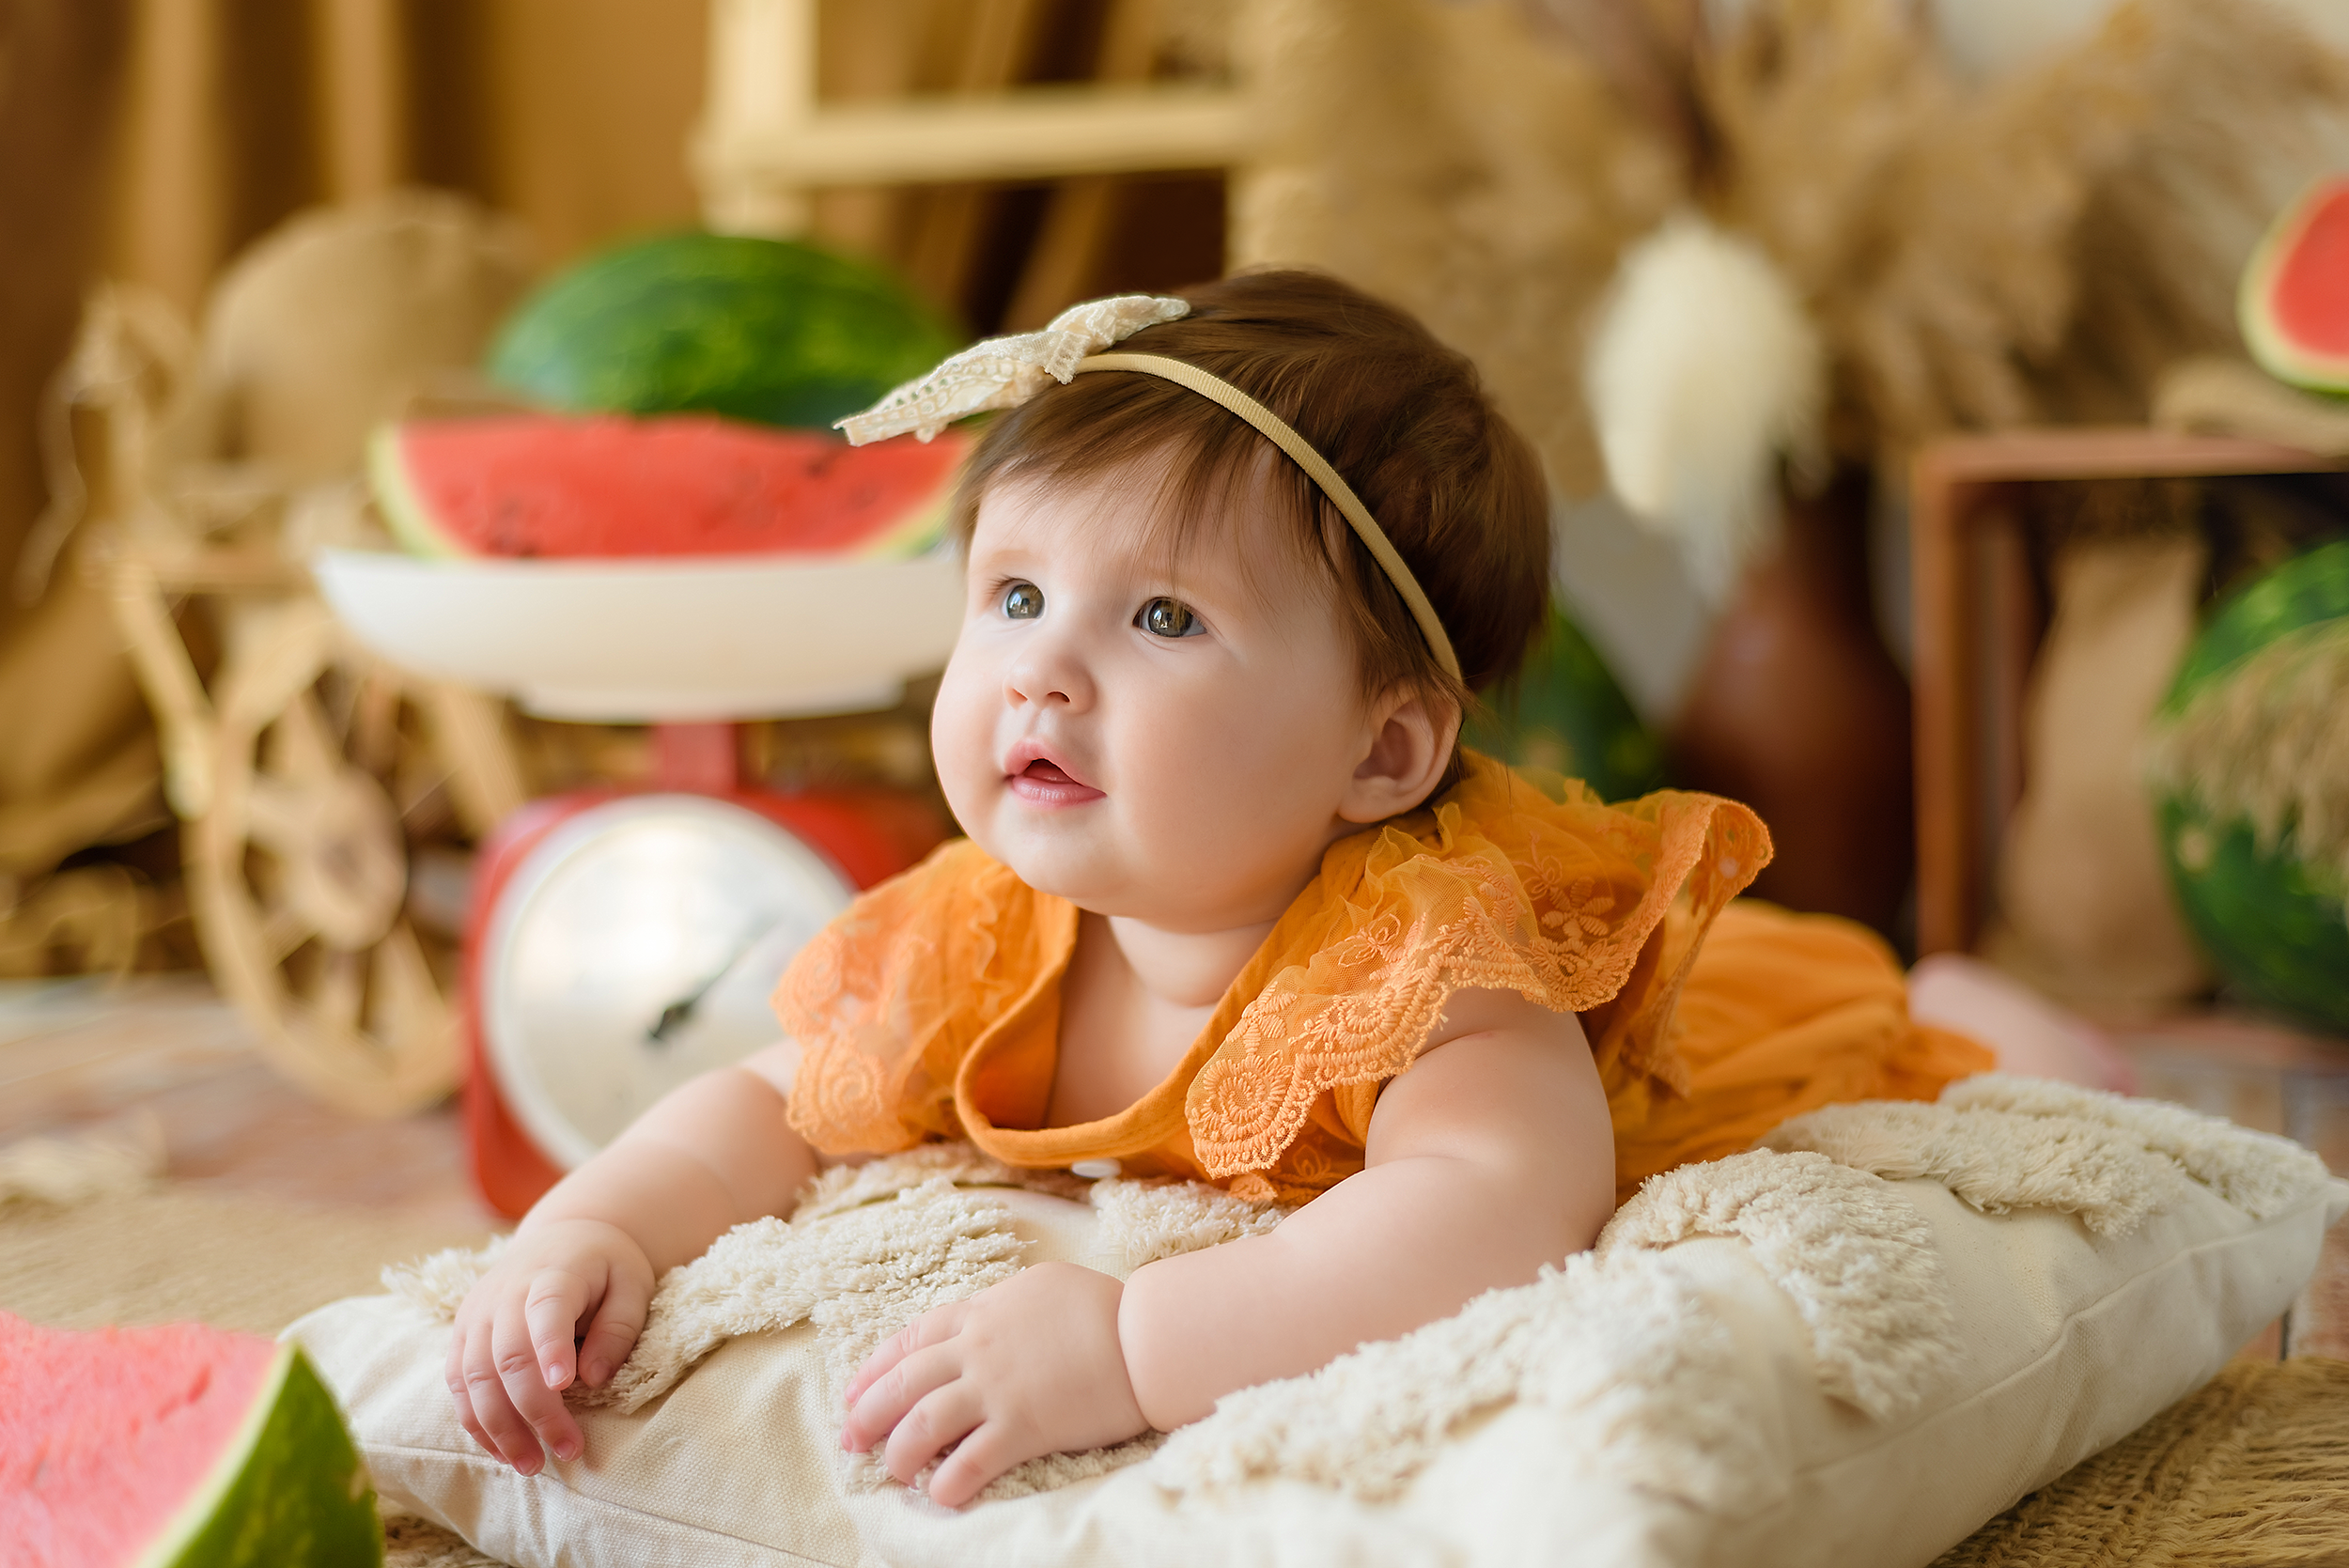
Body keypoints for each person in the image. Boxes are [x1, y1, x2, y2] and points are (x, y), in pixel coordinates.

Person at [446, 272, 2086, 1508]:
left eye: (1163, 619)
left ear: (1381, 751)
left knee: (1913, 1030)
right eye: (1012, 594)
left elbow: (1499, 1209)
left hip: (1748, 1031)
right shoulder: (977, 927)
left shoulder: (1430, 960)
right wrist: (599, 1225)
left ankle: (1976, 1000)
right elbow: (773, 1100)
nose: (1042, 671)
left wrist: (1132, 1343)